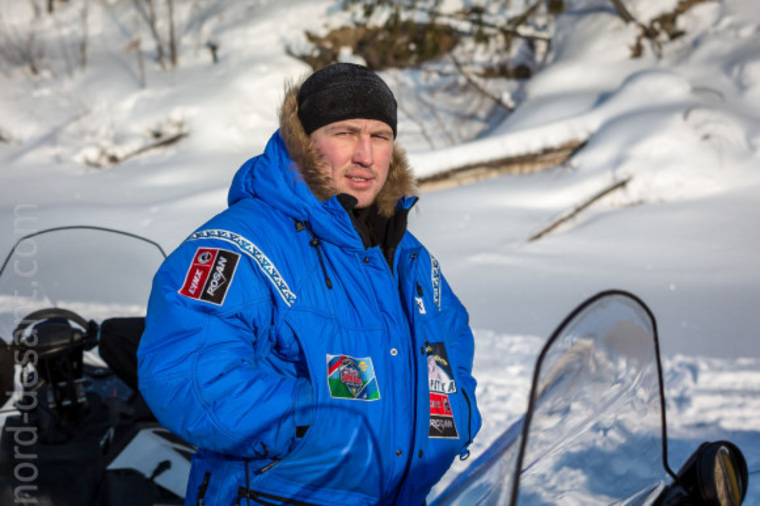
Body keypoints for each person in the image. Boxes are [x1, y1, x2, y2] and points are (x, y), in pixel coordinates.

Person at [137, 62, 481, 506]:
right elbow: (187, 375)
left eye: (380, 137)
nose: (365, 154)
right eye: (344, 133)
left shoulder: (409, 258)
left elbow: (451, 350)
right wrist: (316, 422)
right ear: (303, 143)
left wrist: (451, 420)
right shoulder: (238, 246)